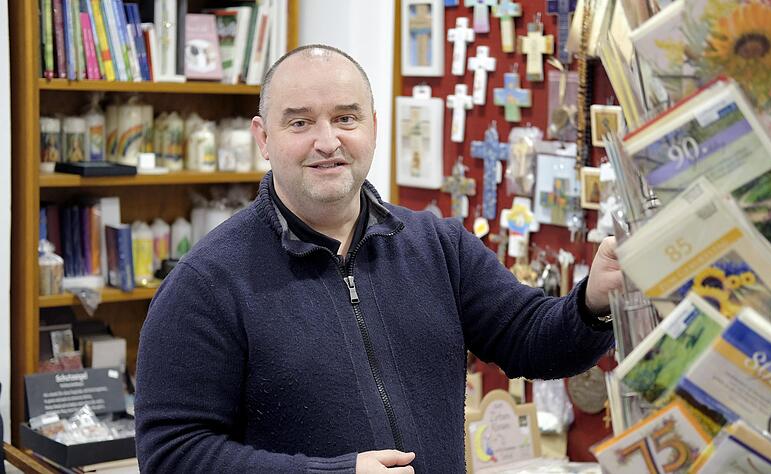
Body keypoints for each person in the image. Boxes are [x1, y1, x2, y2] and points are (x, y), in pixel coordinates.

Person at [135, 44, 622, 473]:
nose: (327, 142)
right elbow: (172, 454)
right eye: (300, 122)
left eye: (346, 118)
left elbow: (532, 338)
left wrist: (594, 300)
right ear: (263, 138)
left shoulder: (438, 246)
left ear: (373, 125)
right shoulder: (206, 283)